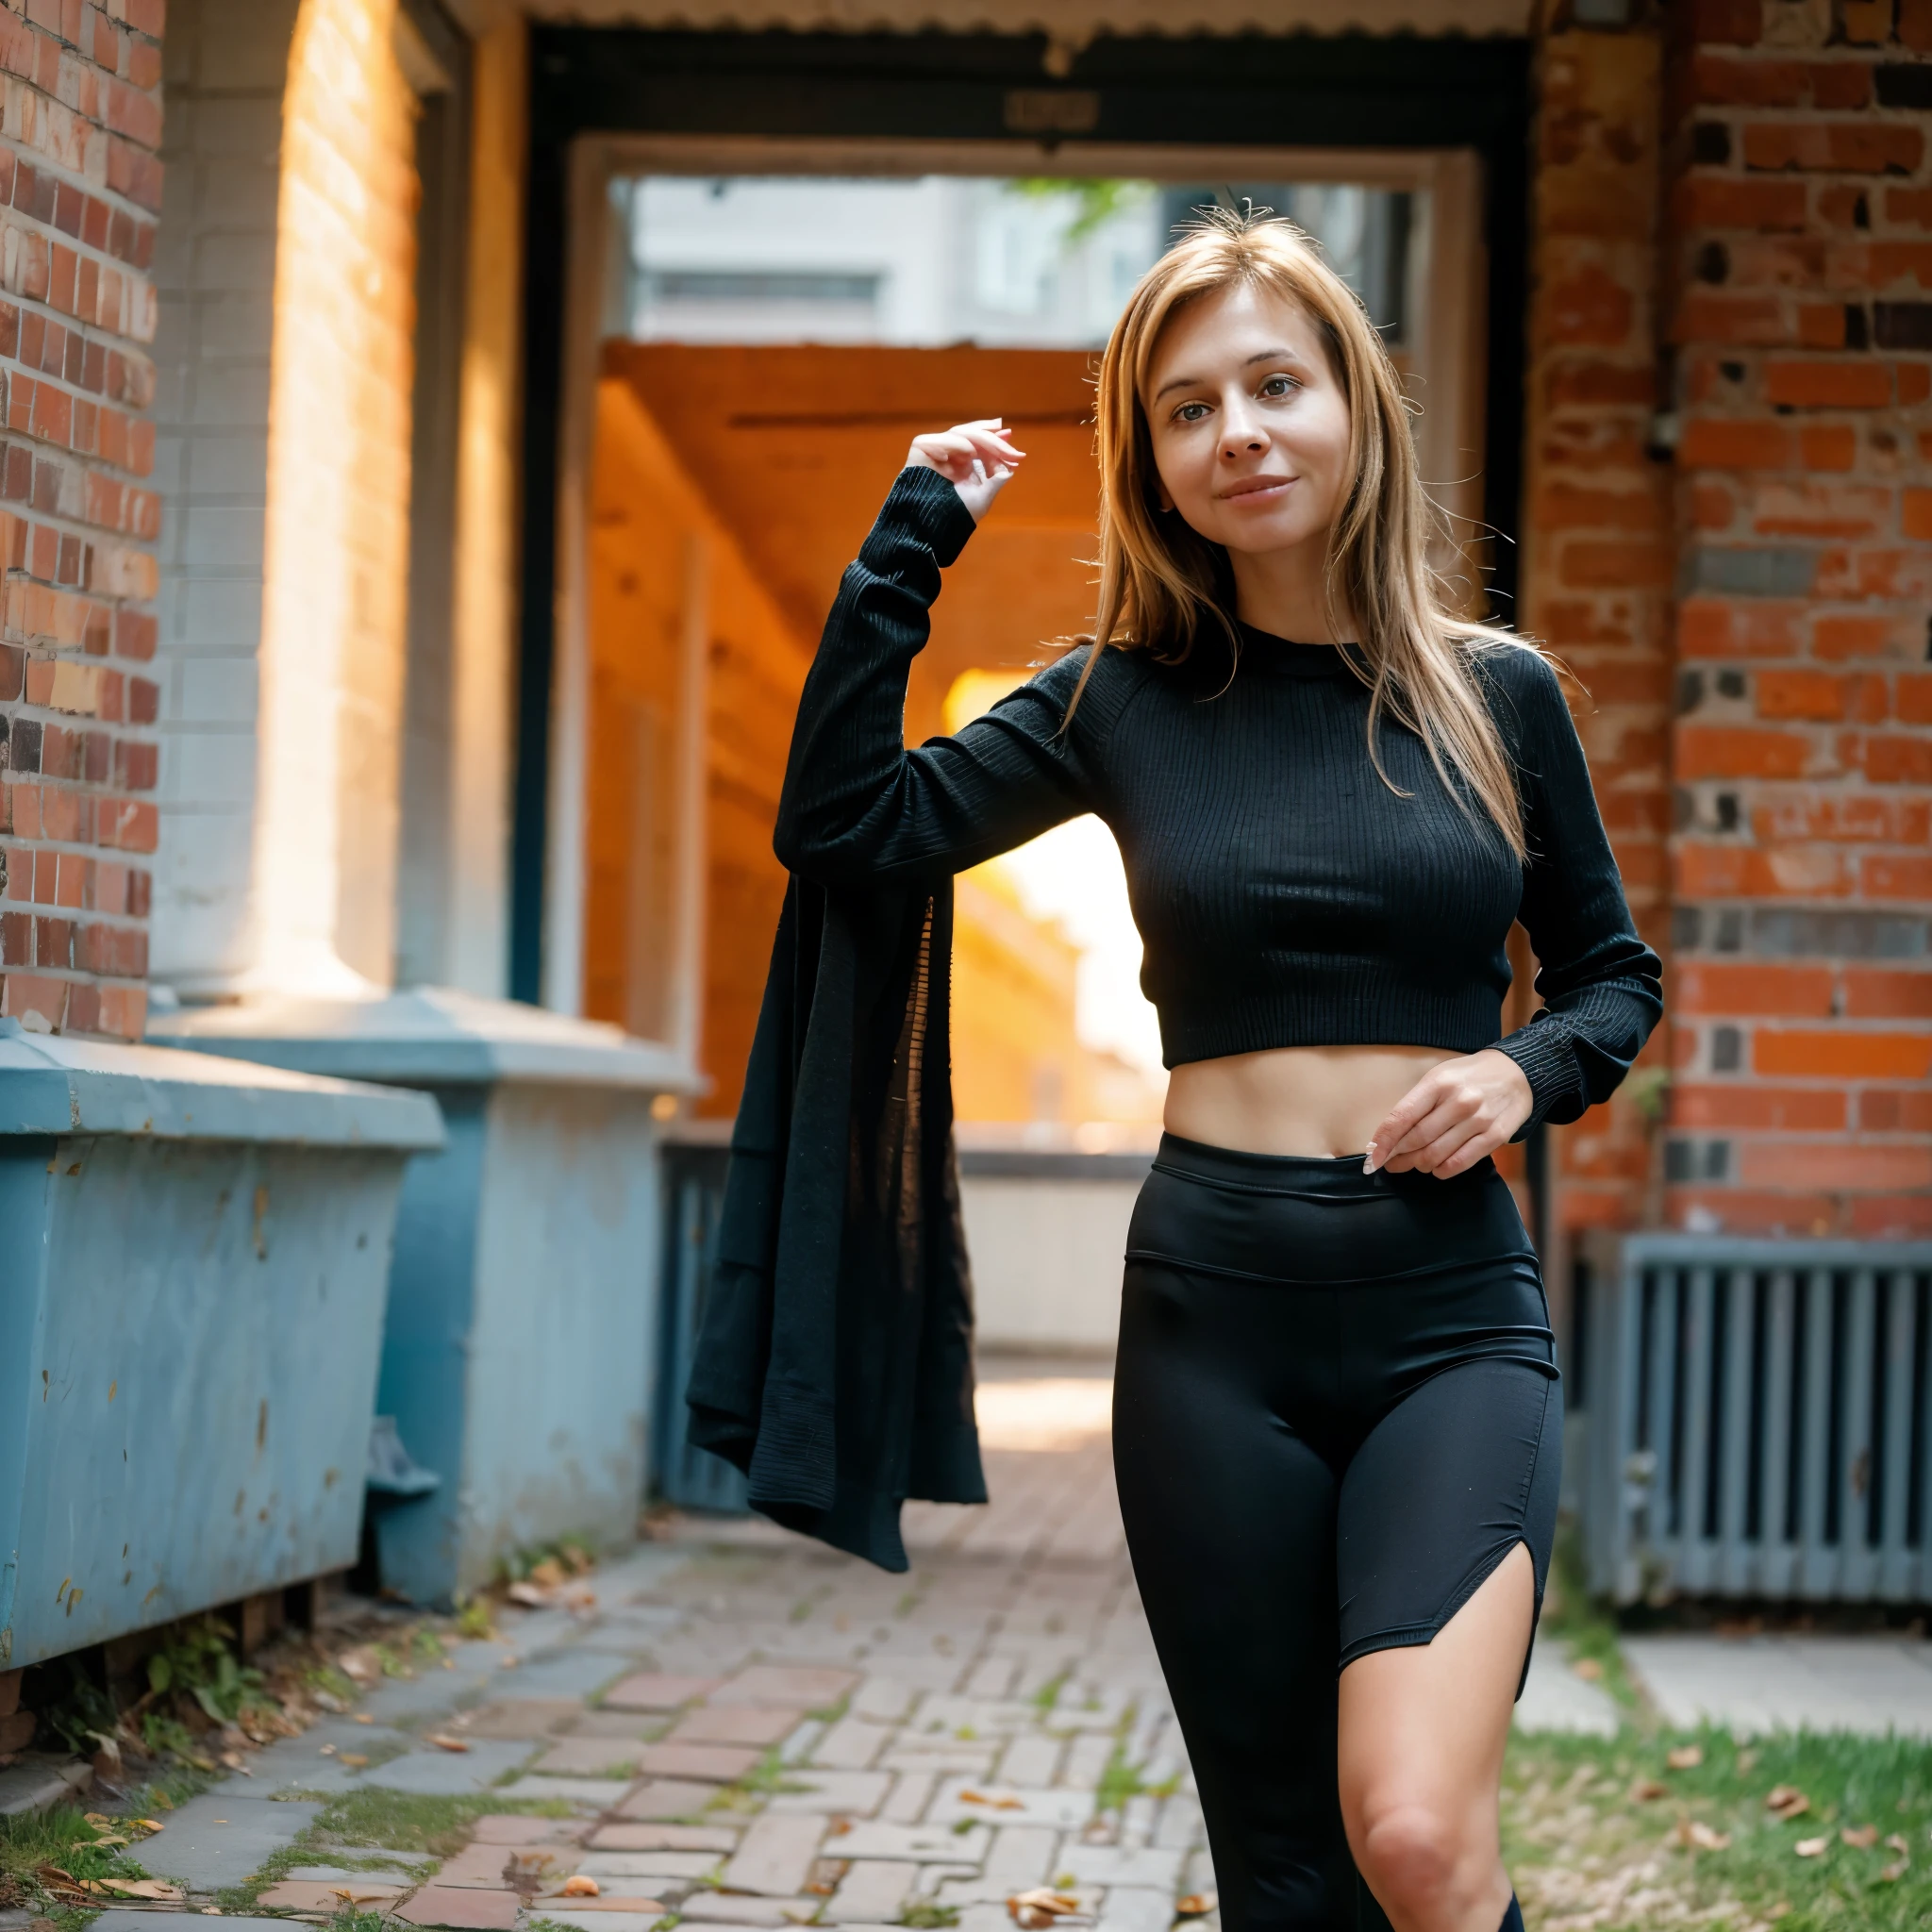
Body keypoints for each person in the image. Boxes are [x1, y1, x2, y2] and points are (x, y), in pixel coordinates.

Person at [770, 209, 1662, 1932]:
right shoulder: (1118, 697)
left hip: (1448, 1317)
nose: (1237, 430)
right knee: (1283, 1869)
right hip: (1212, 1321)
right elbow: (847, 828)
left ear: (1354, 406)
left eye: (1274, 383)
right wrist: (906, 550)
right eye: (1187, 409)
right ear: (1155, 463)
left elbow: (1614, 976)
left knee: (1411, 1831)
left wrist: (1524, 1074)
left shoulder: (1499, 694)